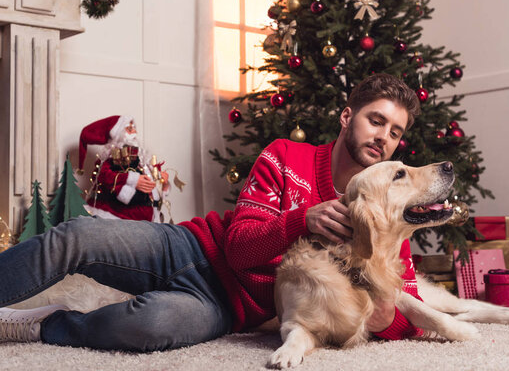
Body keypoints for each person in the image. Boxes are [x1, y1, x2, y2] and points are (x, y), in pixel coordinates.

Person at [0, 73, 421, 352]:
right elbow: (238, 249)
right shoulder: (285, 154)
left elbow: (413, 310)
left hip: (225, 305)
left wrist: (388, 322)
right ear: (348, 117)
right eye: (376, 120)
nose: (382, 136)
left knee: (150, 325)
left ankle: (43, 325)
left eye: (394, 132)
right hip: (192, 246)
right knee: (78, 236)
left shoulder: (383, 208)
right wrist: (301, 220)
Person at [78, 115, 170, 222]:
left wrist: (163, 183)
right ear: (118, 134)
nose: (133, 131)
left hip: (148, 222)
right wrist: (133, 180)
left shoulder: (142, 158)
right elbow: (102, 177)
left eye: (133, 127)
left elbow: (152, 185)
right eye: (128, 128)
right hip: (120, 221)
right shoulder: (112, 158)